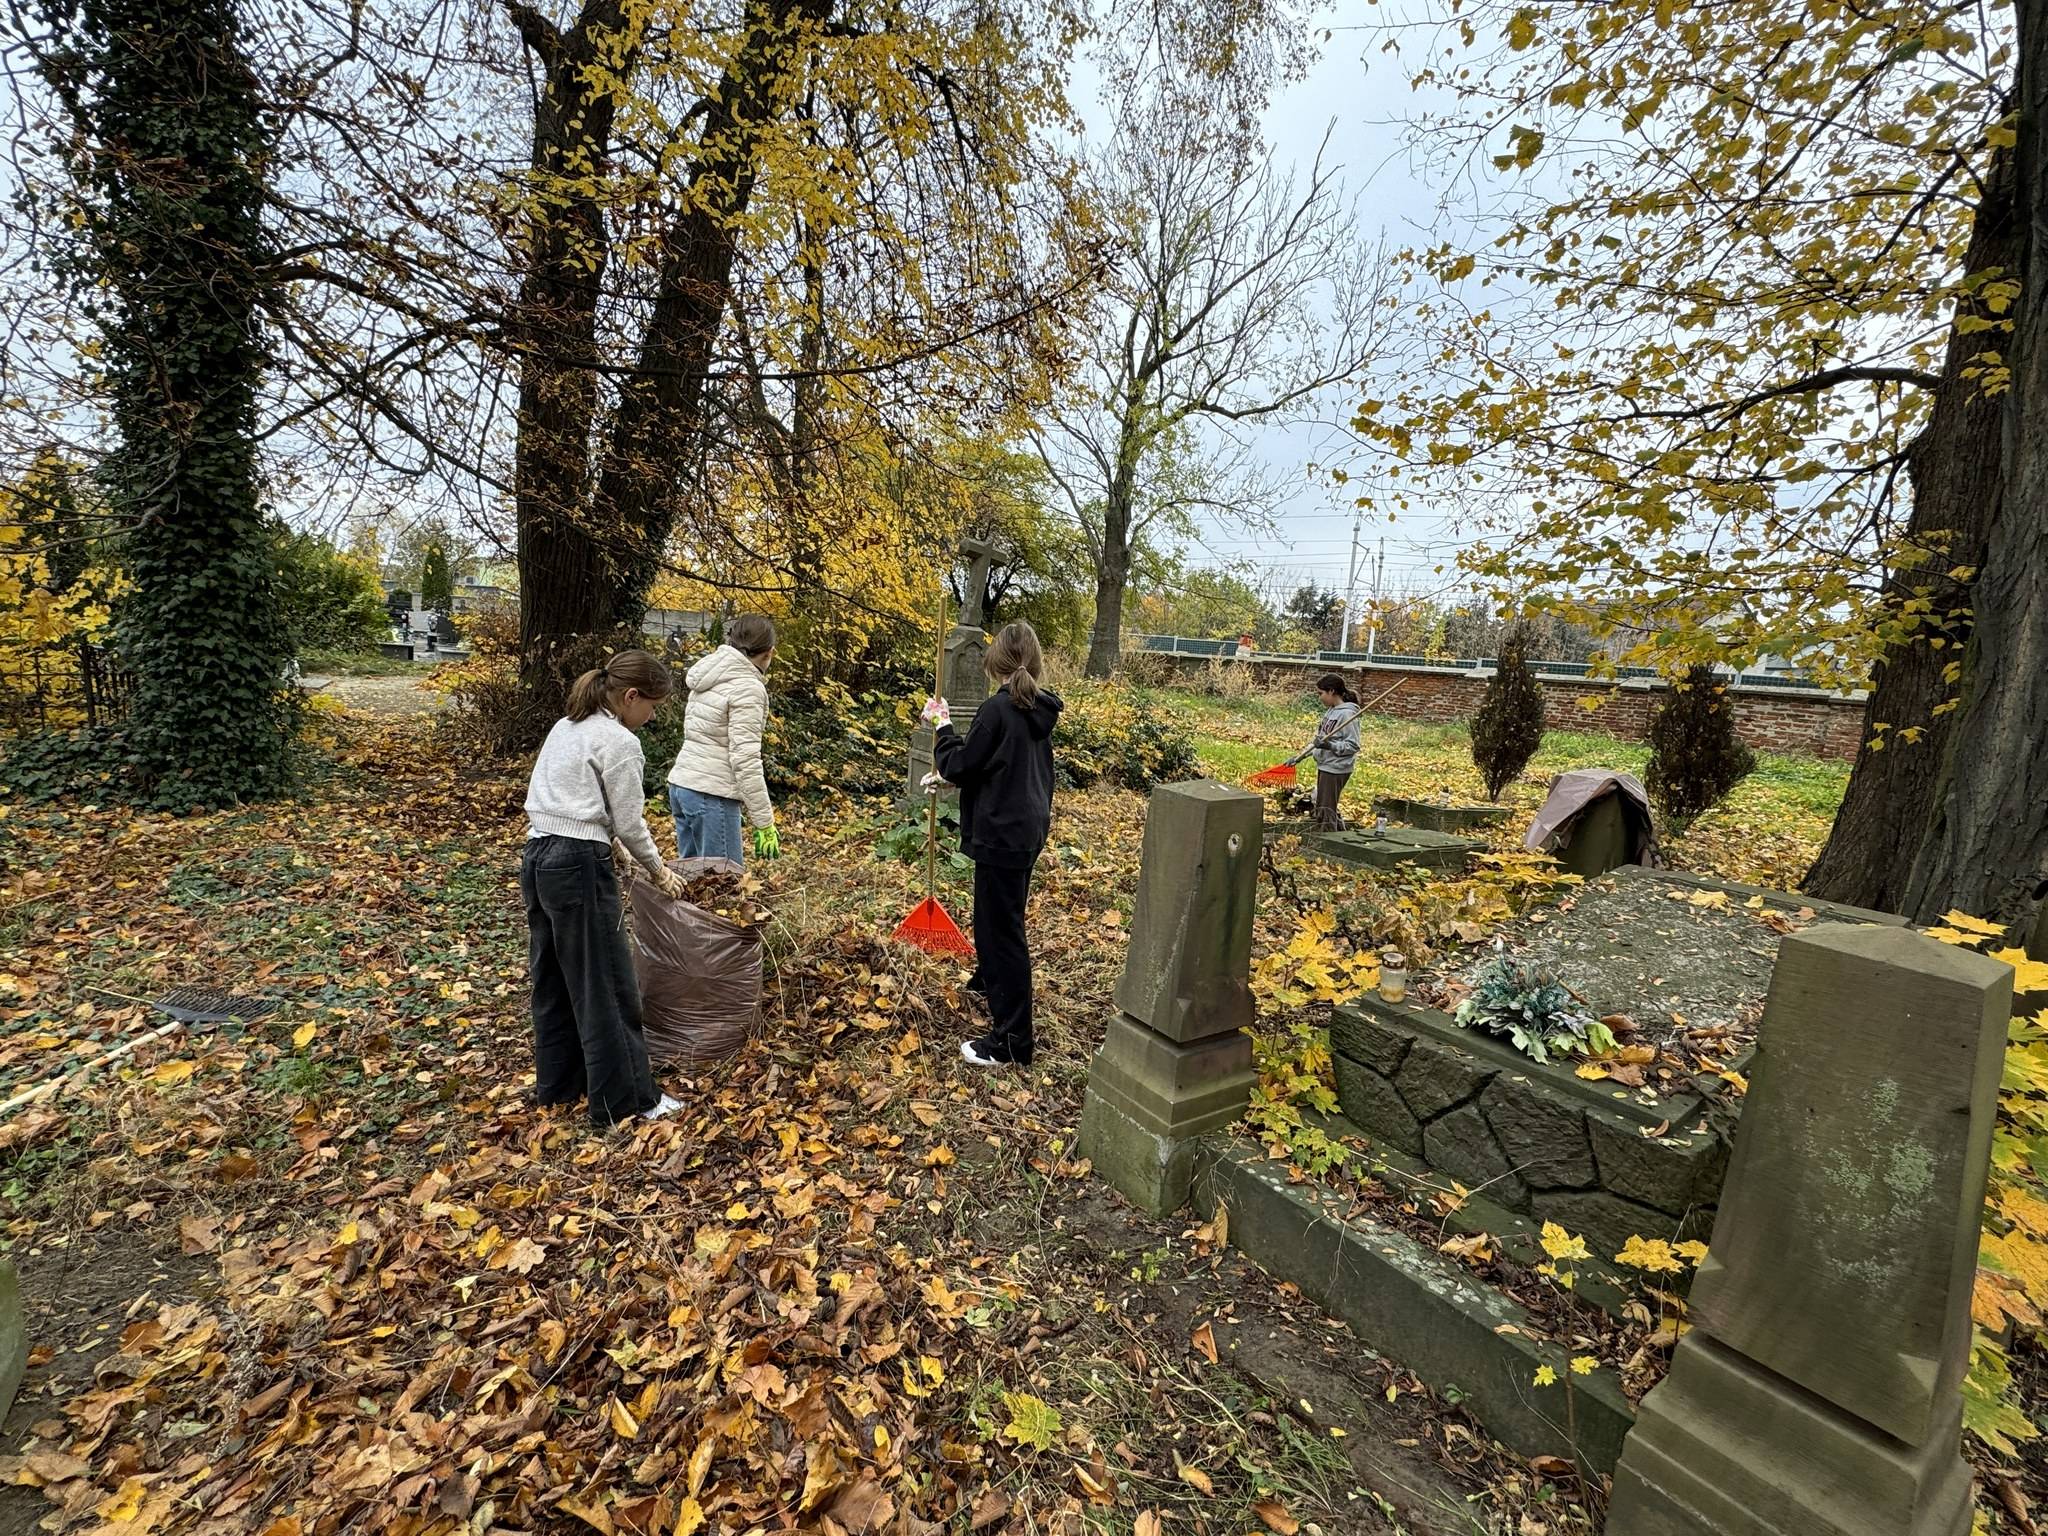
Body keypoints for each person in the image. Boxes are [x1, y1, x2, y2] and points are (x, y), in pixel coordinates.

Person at [522, 650, 687, 1126]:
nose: (651, 718)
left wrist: (610, 845)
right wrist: (658, 870)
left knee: (555, 979)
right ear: (631, 696)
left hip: (538, 858)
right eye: (652, 707)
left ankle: (560, 1085)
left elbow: (571, 804)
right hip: (577, 867)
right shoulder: (619, 741)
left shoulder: (567, 726)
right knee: (607, 985)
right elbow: (630, 823)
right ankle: (629, 1100)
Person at [922, 621, 1063, 1068]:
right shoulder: (1037, 708)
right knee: (1002, 920)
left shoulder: (998, 709)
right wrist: (951, 782)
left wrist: (942, 725)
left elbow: (962, 762)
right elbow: (999, 767)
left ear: (993, 662)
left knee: (1000, 933)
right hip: (1024, 829)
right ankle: (989, 982)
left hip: (1003, 834)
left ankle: (1012, 1042)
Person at [668, 614, 781, 866]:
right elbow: (745, 759)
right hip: (711, 795)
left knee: (693, 879)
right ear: (769, 652)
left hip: (682, 786)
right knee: (723, 882)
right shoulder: (748, 687)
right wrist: (764, 822)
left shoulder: (710, 673)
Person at [1297, 672, 1363, 831]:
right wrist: (1299, 757)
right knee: (1325, 806)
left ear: (1332, 691)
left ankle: (1328, 840)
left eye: (1321, 693)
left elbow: (1353, 745)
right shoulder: (1331, 711)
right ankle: (1340, 835)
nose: (1319, 698)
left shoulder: (1347, 714)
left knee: (1325, 810)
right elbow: (1319, 740)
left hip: (1336, 768)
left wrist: (1330, 746)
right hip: (1325, 764)